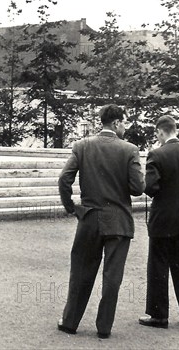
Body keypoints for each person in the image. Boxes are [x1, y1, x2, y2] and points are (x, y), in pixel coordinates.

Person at [58, 104, 144, 339]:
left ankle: (70, 322)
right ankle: (104, 327)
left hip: (90, 218)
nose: (124, 127)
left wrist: (71, 207)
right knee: (112, 276)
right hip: (118, 221)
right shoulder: (130, 149)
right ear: (116, 123)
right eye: (123, 122)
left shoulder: (82, 146)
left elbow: (64, 179)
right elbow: (138, 189)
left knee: (81, 272)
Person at [139, 115, 179, 329]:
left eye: (156, 134)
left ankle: (158, 315)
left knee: (158, 265)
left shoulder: (156, 154)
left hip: (162, 219)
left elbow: (151, 188)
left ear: (161, 132)